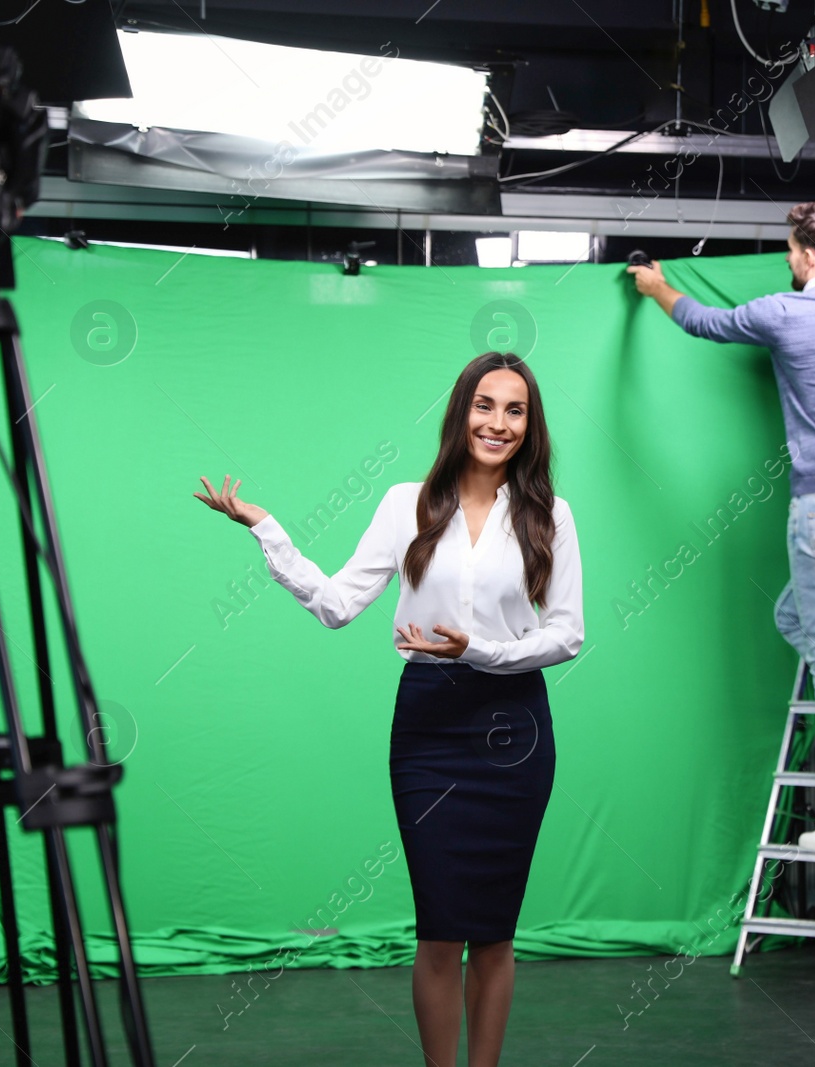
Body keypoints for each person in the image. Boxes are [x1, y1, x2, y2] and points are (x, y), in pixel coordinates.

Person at [194, 351, 584, 1067]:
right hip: (430, 727)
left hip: (513, 731)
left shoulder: (549, 515)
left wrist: (481, 651)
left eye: (515, 410)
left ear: (530, 426)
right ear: (460, 411)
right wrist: (266, 528)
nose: (497, 422)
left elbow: (567, 633)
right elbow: (339, 605)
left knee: (495, 931)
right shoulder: (407, 503)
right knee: (439, 927)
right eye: (485, 404)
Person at [626, 201, 815, 855]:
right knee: (793, 619)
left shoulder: (784, 311)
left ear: (809, 257)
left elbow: (701, 320)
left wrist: (654, 285)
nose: (786, 260)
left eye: (790, 250)